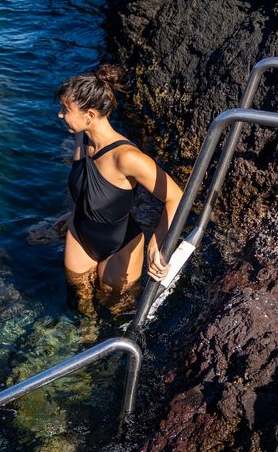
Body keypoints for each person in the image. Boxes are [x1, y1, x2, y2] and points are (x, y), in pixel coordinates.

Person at [56, 64, 183, 297]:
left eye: (65, 109)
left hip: (120, 246)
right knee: (80, 304)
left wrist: (157, 244)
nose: (60, 115)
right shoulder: (82, 139)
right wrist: (77, 211)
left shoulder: (127, 158)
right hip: (80, 235)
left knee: (113, 305)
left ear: (90, 115)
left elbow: (176, 197)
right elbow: (87, 184)